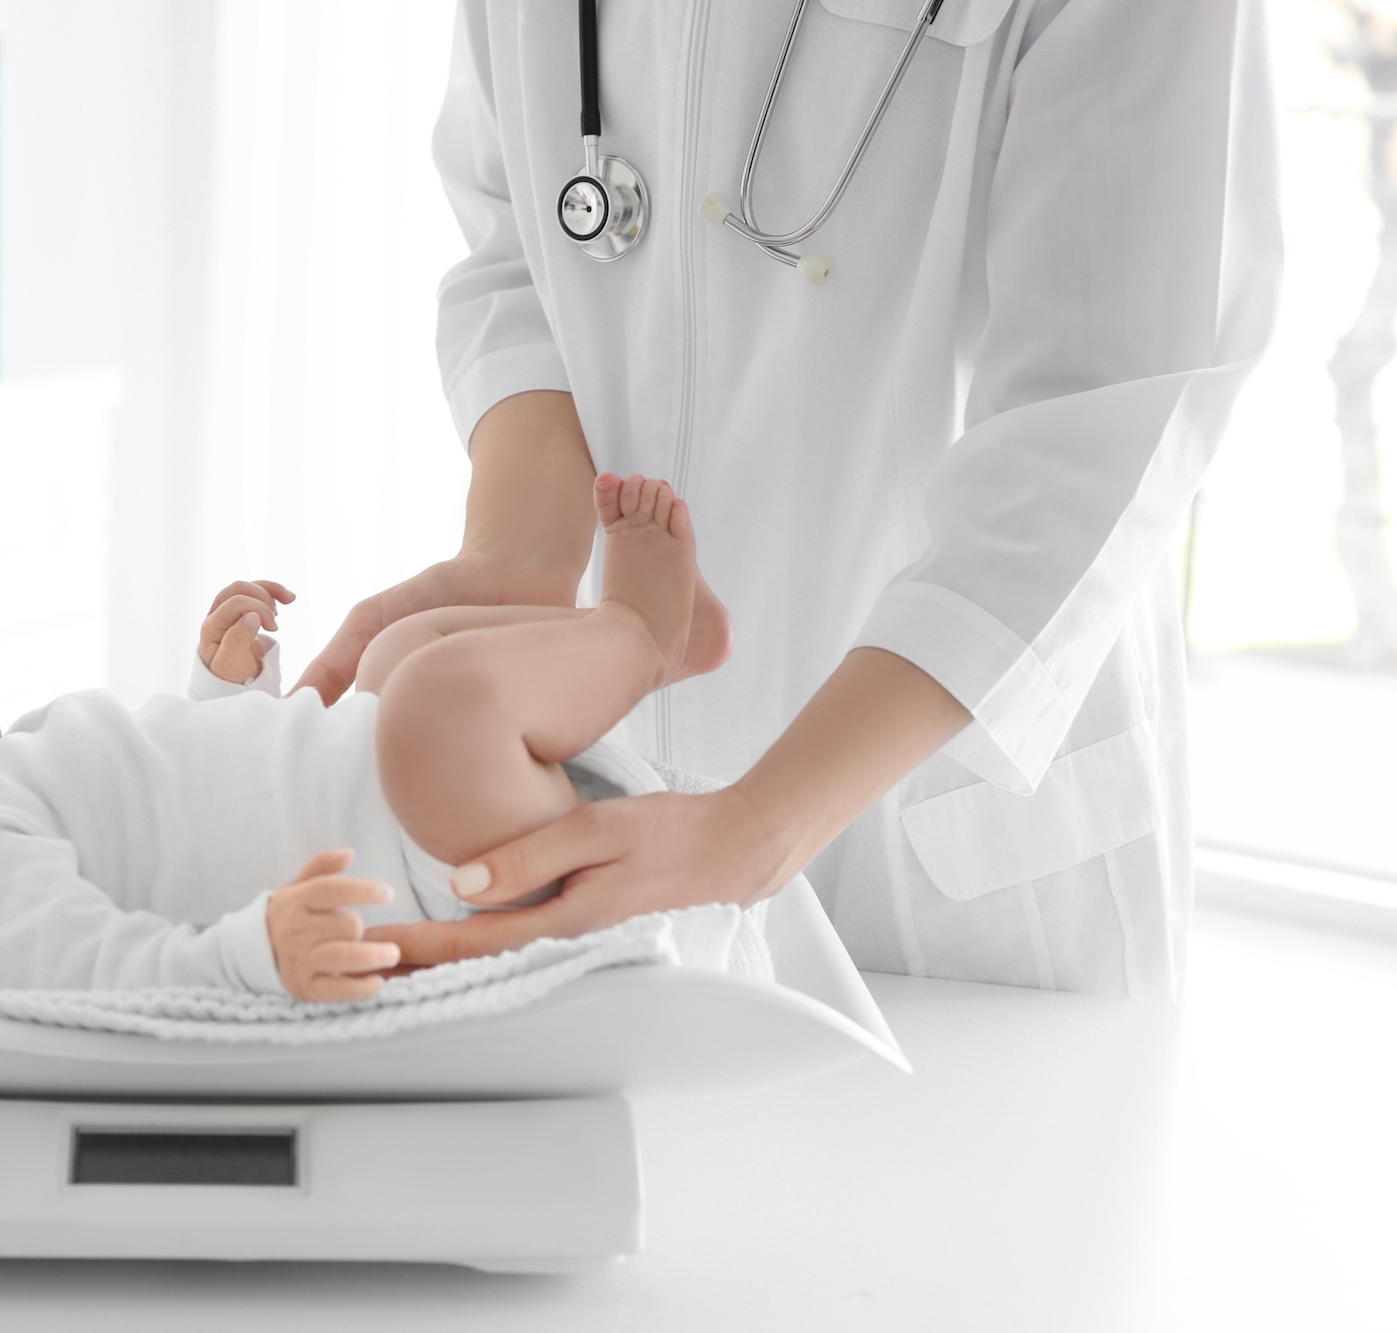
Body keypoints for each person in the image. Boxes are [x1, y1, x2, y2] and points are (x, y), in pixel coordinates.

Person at [298, 0, 1282, 997]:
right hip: (606, 794)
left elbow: (1096, 412)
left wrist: (763, 823)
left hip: (954, 863)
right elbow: (519, 242)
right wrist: (520, 554)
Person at [0, 474, 736, 1001]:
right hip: (438, 857)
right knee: (436, 697)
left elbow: (183, 814)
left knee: (403, 658)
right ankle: (634, 631)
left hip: (390, 789)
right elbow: (107, 973)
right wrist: (249, 956)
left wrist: (223, 690)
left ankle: (617, 658)